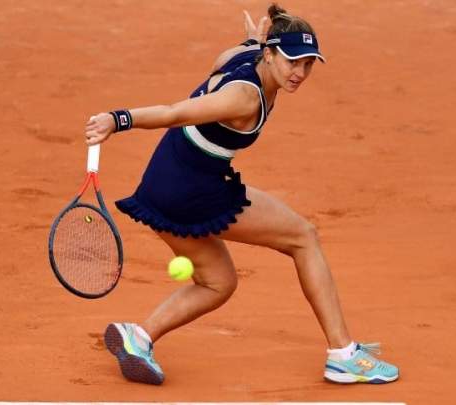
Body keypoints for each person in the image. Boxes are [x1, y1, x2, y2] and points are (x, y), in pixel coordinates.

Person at [84, 3, 399, 386]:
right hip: (193, 190)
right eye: (291, 62)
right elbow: (174, 112)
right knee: (304, 237)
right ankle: (343, 355)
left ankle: (139, 337)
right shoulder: (245, 98)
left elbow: (228, 57)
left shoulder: (243, 54)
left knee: (218, 282)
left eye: (308, 64)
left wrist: (252, 38)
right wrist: (117, 120)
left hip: (161, 183)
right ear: (269, 54)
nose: (299, 73)